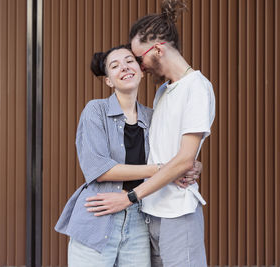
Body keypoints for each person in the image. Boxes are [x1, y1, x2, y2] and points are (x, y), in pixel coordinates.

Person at [85, 1, 216, 266]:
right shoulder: (163, 92)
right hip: (149, 214)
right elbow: (165, 152)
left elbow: (183, 159)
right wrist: (186, 164)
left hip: (177, 213)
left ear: (157, 49)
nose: (139, 67)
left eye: (138, 59)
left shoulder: (197, 87)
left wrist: (130, 196)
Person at [55, 44, 201, 267]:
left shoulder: (153, 117)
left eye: (129, 61)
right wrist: (163, 169)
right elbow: (100, 169)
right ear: (109, 81)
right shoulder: (96, 110)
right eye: (115, 66)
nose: (124, 68)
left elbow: (176, 156)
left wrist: (190, 165)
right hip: (98, 213)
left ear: (141, 71)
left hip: (138, 219)